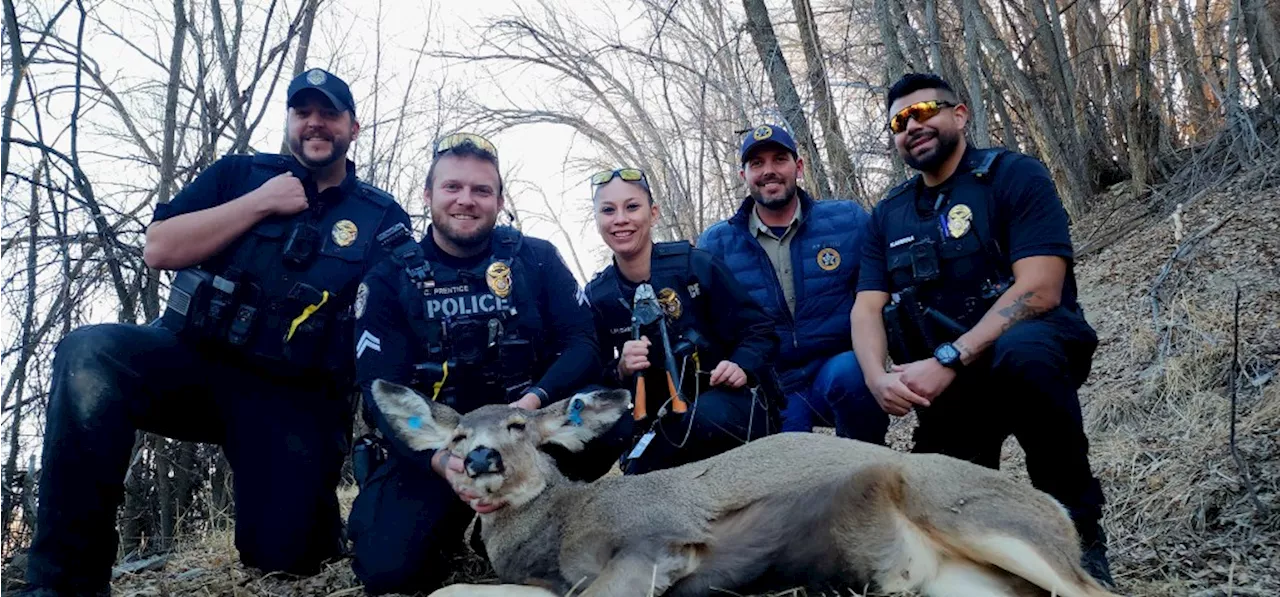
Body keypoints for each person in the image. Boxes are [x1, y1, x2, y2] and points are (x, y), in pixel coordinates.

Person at [20, 68, 410, 596]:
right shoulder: (237, 175)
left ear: (353, 127)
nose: (315, 124)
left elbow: (394, 321)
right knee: (89, 353)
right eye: (303, 113)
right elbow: (160, 248)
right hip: (191, 362)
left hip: (291, 397)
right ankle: (62, 583)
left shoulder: (381, 217)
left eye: (329, 114)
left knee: (288, 557)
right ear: (291, 121)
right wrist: (261, 204)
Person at [850, 72, 1114, 586]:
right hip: (949, 379)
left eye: (925, 112)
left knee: (1025, 354)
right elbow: (866, 307)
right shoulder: (889, 214)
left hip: (1028, 348)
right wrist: (876, 378)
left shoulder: (1013, 176)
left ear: (960, 114)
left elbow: (1040, 287)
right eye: (899, 122)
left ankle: (1081, 541)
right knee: (933, 499)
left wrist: (949, 358)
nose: (913, 127)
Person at [346, 133, 628, 595]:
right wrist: (441, 461)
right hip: (442, 451)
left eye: (481, 190)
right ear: (428, 196)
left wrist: (533, 403)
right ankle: (457, 527)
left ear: (498, 200)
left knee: (613, 424)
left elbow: (583, 344)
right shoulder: (388, 278)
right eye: (452, 187)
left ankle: (542, 522)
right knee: (389, 572)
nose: (466, 200)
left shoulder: (535, 258)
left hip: (524, 442)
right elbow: (380, 390)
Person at [697, 124, 888, 443]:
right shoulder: (715, 246)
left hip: (836, 367)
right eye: (756, 163)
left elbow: (880, 292)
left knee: (853, 374)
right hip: (771, 383)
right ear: (743, 176)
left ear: (798, 167)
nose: (768, 171)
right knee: (793, 475)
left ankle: (869, 464)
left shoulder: (847, 221)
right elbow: (707, 327)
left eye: (779, 159)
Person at [584, 167, 778, 475]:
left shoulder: (696, 266)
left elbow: (759, 329)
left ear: (654, 213)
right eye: (608, 210)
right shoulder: (598, 296)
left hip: (727, 406)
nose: (620, 219)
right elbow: (593, 377)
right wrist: (620, 369)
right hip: (657, 421)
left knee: (703, 421)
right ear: (597, 220)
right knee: (637, 468)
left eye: (632, 207)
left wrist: (741, 364)